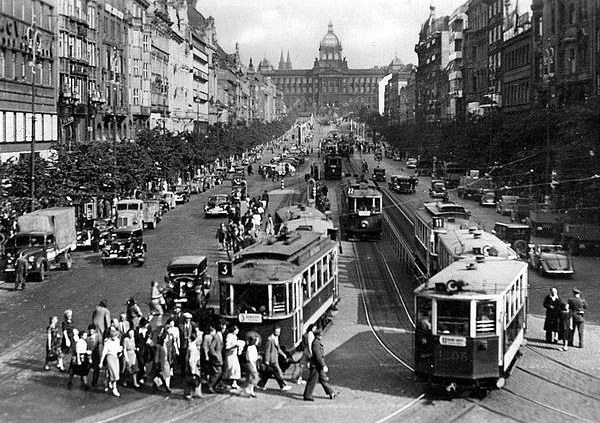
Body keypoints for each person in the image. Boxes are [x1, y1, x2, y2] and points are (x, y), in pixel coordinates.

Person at [303, 328, 339, 401]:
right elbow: (318, 356)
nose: (321, 336)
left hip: (318, 365)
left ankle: (331, 393)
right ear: (317, 336)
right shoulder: (316, 344)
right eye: (320, 335)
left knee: (323, 379)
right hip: (316, 365)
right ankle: (307, 395)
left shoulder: (317, 342)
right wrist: (323, 365)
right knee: (312, 380)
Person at [257, 326, 291, 391]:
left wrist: (283, 355)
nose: (278, 333)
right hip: (271, 360)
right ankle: (283, 385)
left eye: (279, 332)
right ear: (273, 331)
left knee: (267, 373)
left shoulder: (276, 339)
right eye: (277, 332)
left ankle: (261, 385)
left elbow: (278, 349)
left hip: (275, 358)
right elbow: (267, 350)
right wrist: (267, 360)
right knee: (277, 372)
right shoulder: (270, 340)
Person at [99, 327, 123, 397]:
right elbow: (104, 352)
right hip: (109, 357)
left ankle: (107, 381)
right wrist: (101, 362)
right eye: (113, 336)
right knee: (114, 373)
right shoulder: (107, 342)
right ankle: (114, 388)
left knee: (114, 372)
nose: (114, 337)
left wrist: (120, 351)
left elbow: (118, 348)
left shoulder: (117, 340)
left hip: (115, 357)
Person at [206, 320, 226, 393]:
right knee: (217, 373)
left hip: (220, 357)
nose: (225, 330)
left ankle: (215, 386)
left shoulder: (219, 336)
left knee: (219, 373)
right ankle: (210, 386)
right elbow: (211, 348)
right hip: (216, 359)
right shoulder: (216, 337)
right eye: (224, 328)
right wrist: (216, 356)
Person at [183, 333, 203, 400]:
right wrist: (193, 369)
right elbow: (191, 359)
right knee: (191, 380)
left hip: (193, 365)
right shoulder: (193, 347)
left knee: (193, 379)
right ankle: (188, 394)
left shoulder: (192, 345)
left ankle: (195, 393)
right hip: (192, 365)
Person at [223, 325, 243, 390]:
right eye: (236, 329)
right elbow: (227, 347)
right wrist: (235, 346)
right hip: (230, 355)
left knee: (236, 368)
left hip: (234, 355)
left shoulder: (235, 336)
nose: (238, 331)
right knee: (230, 368)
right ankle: (226, 383)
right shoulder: (229, 336)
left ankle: (234, 383)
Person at [134, 317, 153, 385]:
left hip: (146, 348)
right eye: (145, 324)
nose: (147, 325)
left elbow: (149, 338)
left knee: (146, 361)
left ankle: (143, 374)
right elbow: (136, 340)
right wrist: (136, 347)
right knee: (141, 363)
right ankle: (141, 376)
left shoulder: (148, 330)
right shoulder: (137, 331)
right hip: (140, 349)